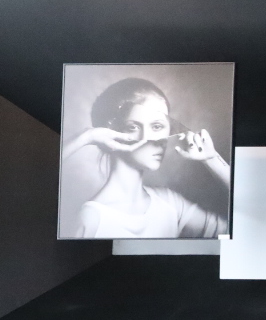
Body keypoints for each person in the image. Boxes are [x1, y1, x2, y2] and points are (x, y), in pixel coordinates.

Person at [63, 77, 229, 239]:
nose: (157, 141)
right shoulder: (91, 220)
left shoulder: (170, 204)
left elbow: (236, 234)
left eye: (158, 126)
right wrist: (86, 137)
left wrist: (212, 159)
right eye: (134, 127)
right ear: (112, 133)